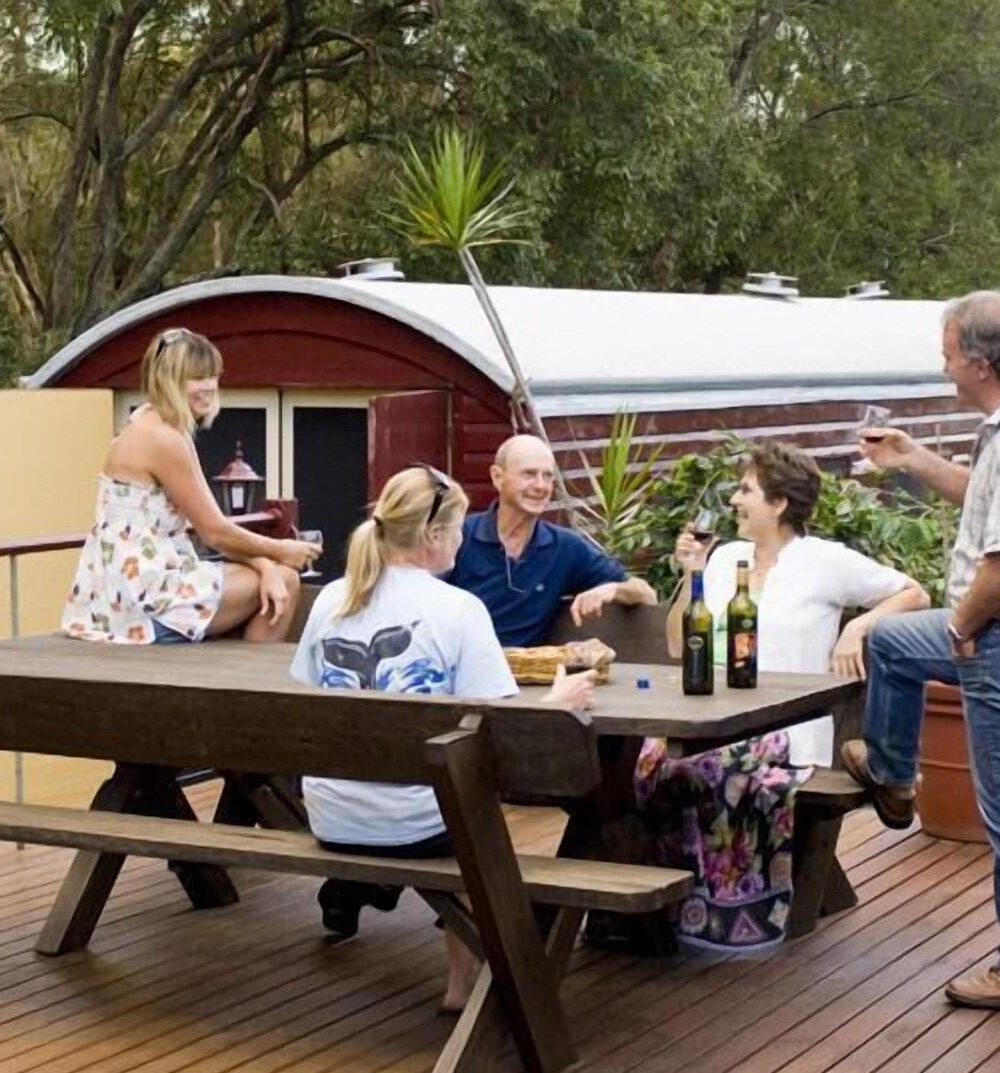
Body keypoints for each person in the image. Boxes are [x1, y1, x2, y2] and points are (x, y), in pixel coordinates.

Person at [853, 290, 1000, 1011]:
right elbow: (984, 498)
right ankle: (893, 777)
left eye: (949, 353)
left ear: (980, 362)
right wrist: (913, 458)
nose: (945, 365)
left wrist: (960, 626)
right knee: (891, 639)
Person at [290, 464, 595, 1011]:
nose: (462, 537)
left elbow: (304, 701)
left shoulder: (332, 600)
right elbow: (500, 735)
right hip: (415, 824)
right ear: (432, 536)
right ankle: (465, 981)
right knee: (467, 803)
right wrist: (557, 704)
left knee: (450, 790)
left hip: (333, 816)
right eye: (456, 528)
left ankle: (463, 974)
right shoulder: (458, 610)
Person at [634, 442, 928, 952]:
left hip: (789, 733)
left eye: (746, 490)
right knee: (650, 763)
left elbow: (914, 593)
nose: (734, 502)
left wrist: (858, 627)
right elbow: (681, 645)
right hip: (716, 719)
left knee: (713, 770)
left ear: (779, 503)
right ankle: (669, 908)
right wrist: (693, 575)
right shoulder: (726, 558)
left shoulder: (822, 561)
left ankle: (725, 917)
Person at [62, 328, 317, 644]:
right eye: (197, 377)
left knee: (271, 576)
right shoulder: (163, 440)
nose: (209, 386)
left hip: (117, 596)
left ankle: (234, 674)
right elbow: (215, 532)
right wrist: (282, 551)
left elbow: (211, 530)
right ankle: (249, 687)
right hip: (142, 604)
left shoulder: (146, 423)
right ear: (169, 381)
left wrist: (264, 565)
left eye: (213, 376)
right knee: (287, 580)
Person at [446, 433, 659, 647]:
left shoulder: (565, 547)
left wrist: (613, 589)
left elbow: (646, 595)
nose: (541, 486)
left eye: (548, 476)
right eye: (529, 474)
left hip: (528, 674)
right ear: (497, 477)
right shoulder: (458, 536)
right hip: (456, 670)